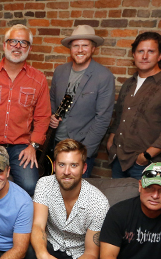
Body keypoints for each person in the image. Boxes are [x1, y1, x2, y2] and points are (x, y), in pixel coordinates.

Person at [0, 24, 50, 197]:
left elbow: (43, 117)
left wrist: (34, 145)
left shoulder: (38, 79)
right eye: (13, 41)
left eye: (23, 43)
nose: (17, 46)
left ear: (29, 48)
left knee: (31, 185)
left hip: (21, 147)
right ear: (4, 45)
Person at [107, 32, 161, 180]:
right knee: (118, 203)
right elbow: (119, 118)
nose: (144, 56)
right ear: (134, 55)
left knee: (143, 203)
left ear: (160, 56)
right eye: (140, 51)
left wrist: (145, 156)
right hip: (118, 160)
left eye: (151, 51)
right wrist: (111, 143)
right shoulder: (128, 84)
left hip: (145, 165)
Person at [49, 25, 115, 177]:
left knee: (75, 196)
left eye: (85, 45)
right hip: (56, 145)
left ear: (93, 48)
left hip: (81, 148)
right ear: (70, 49)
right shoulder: (60, 71)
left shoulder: (104, 76)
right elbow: (52, 101)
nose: (80, 50)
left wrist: (84, 152)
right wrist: (51, 117)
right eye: (76, 46)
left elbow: (103, 119)